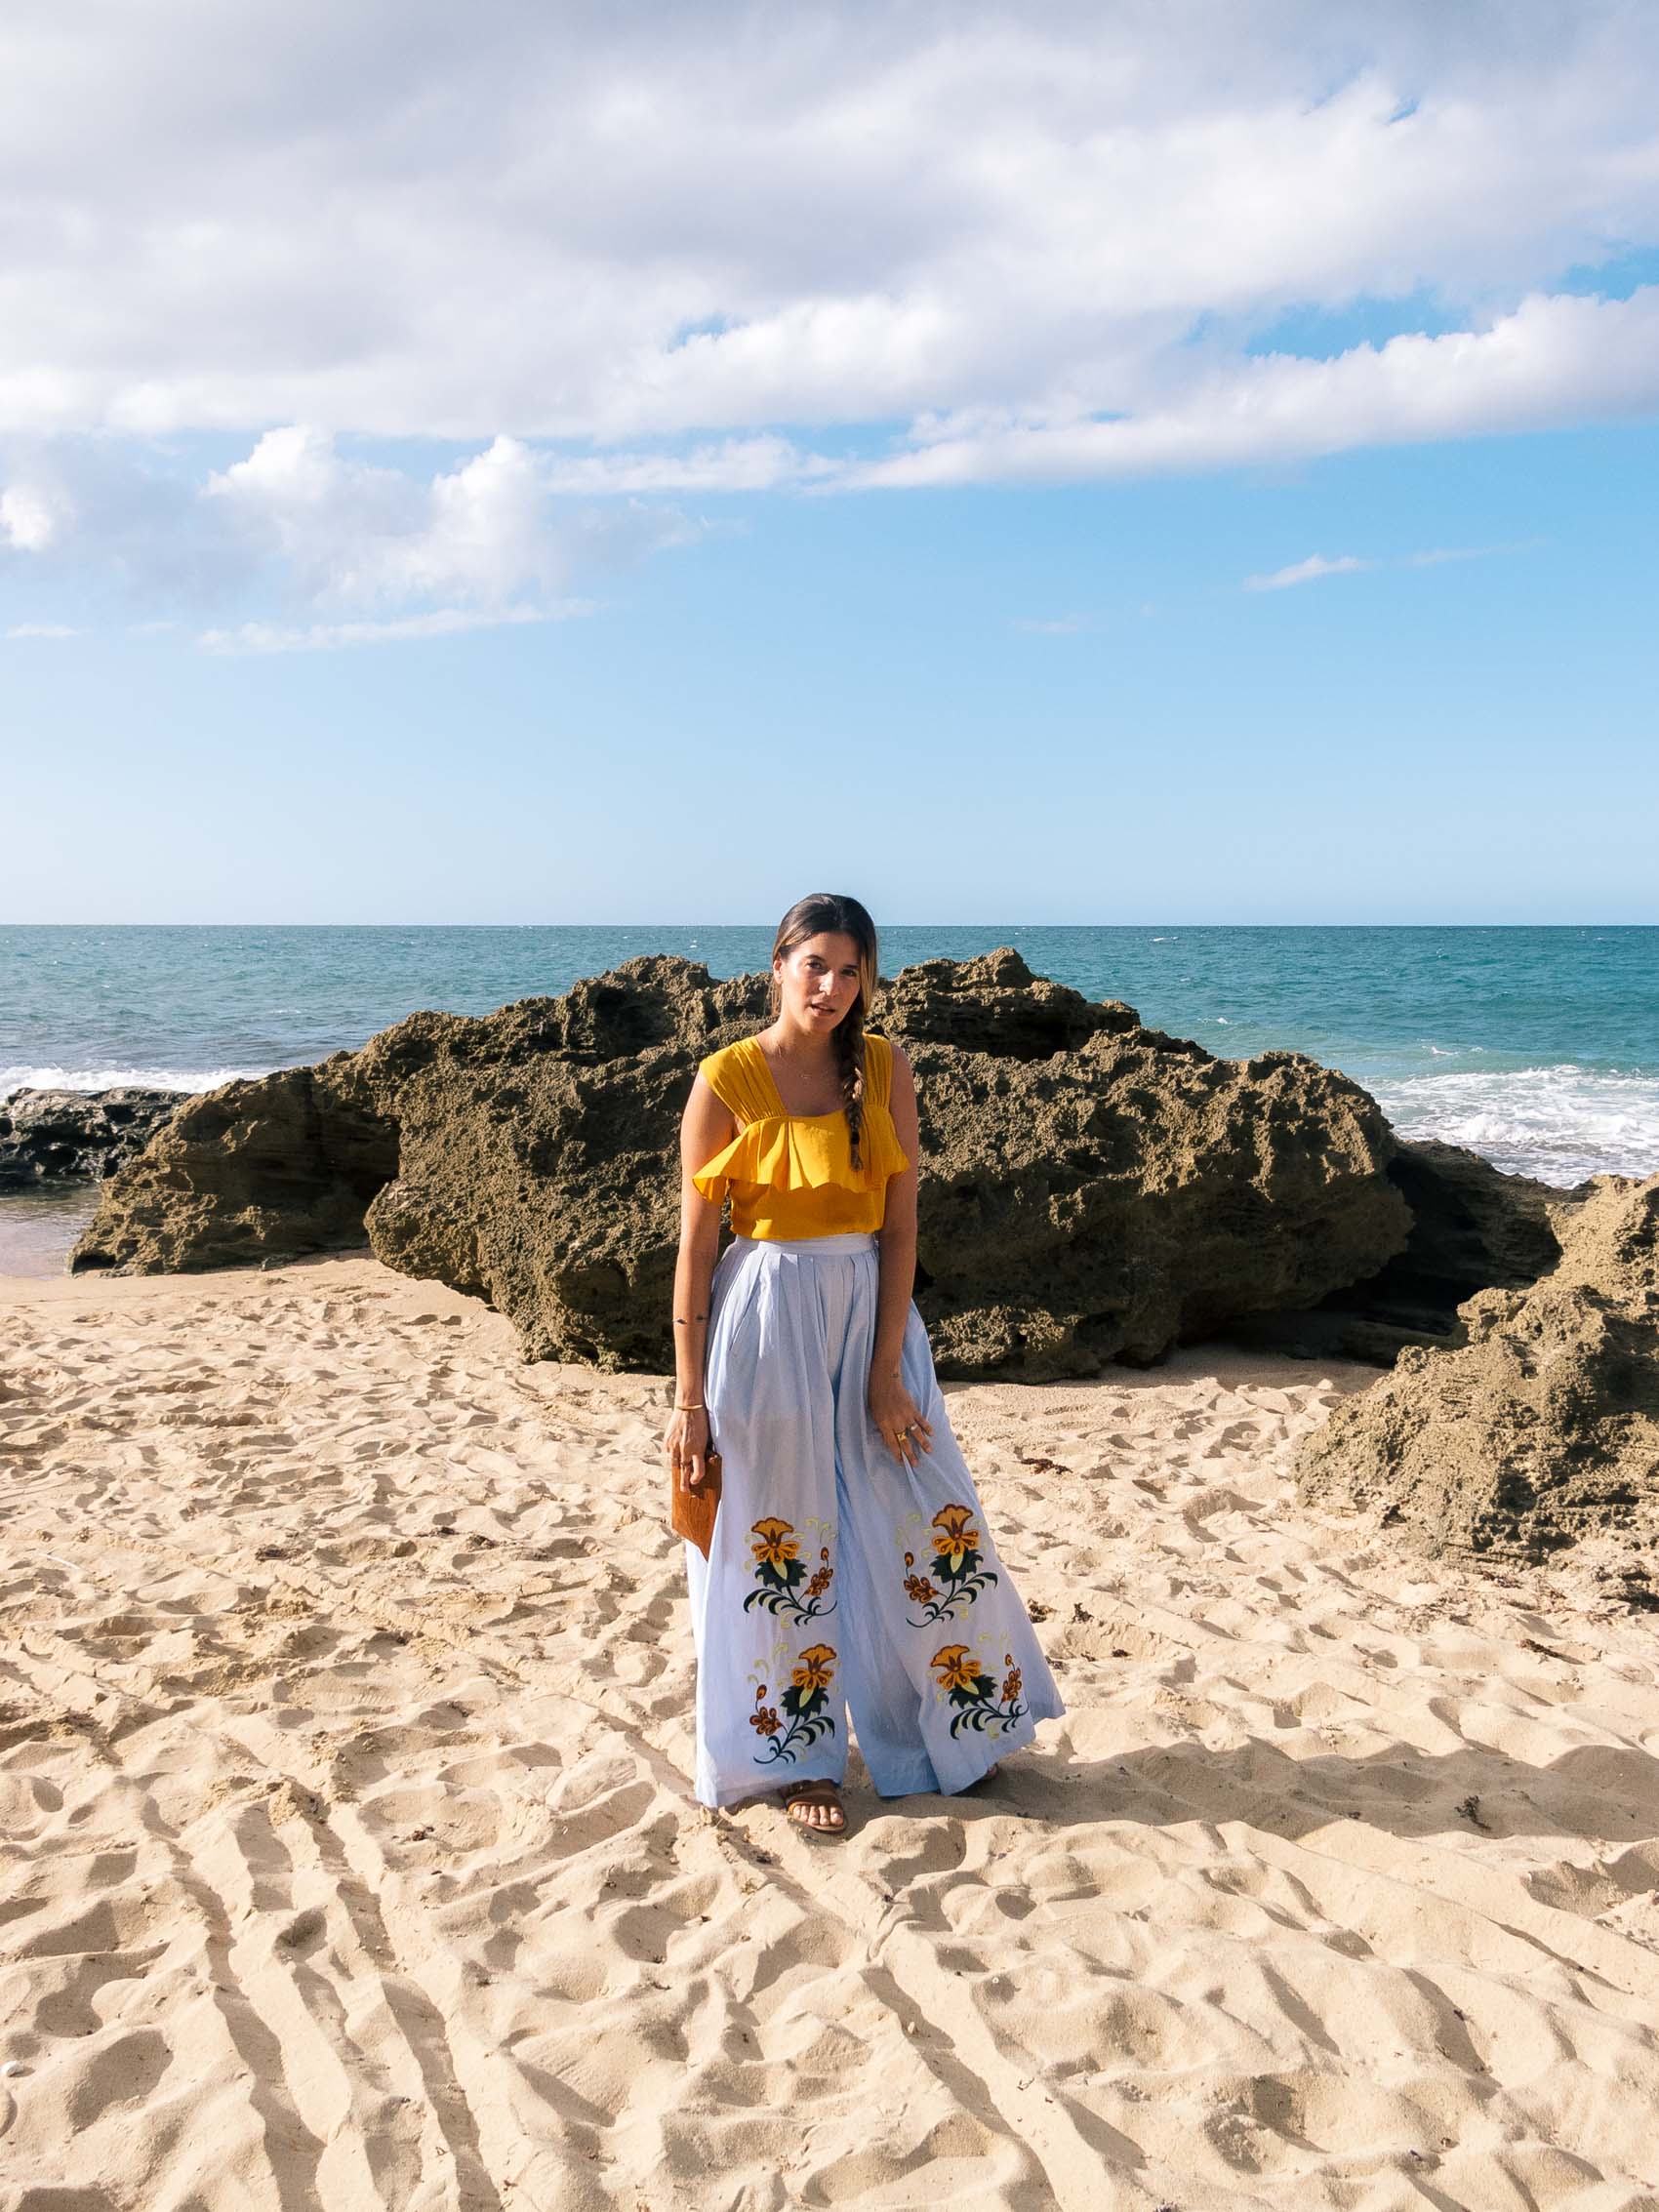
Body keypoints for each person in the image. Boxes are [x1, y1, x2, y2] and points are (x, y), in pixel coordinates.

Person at [666, 893, 1063, 1837]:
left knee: (919, 1511)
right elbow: (690, 1248)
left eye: (851, 971)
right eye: (816, 965)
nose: (833, 988)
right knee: (779, 1534)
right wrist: (689, 1399)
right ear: (776, 963)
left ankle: (941, 1734)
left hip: (873, 1321)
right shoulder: (725, 1079)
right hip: (764, 1319)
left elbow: (901, 1224)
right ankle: (798, 1756)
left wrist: (886, 1370)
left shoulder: (883, 1068)